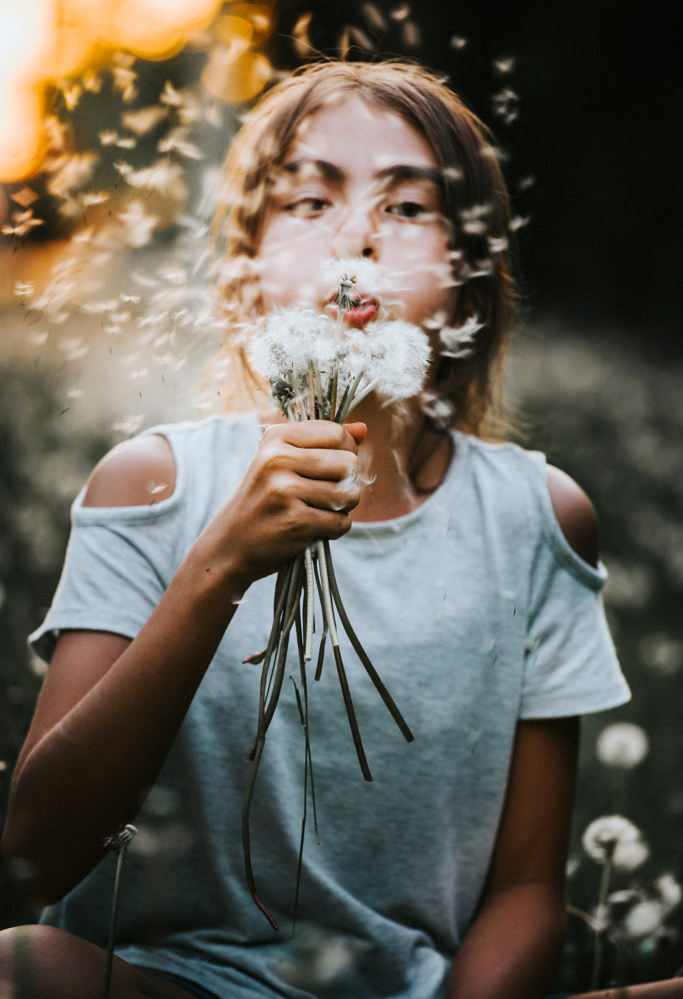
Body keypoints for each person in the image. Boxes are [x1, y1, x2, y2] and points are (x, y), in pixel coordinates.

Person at [0, 59, 676, 999]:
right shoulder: (153, 484)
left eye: (407, 209)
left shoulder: (537, 516)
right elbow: (36, 849)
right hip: (175, 984)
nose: (356, 236)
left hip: (419, 991)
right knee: (20, 967)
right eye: (310, 202)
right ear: (246, 262)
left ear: (468, 281)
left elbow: (524, 885)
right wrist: (220, 567)